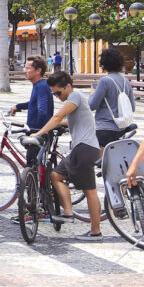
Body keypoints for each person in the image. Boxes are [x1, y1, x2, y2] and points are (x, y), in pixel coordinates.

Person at [32, 70, 103, 239]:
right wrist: (49, 127)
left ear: (68, 86)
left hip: (84, 148)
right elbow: (66, 120)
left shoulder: (76, 96)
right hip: (84, 148)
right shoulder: (75, 99)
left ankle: (95, 231)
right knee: (56, 175)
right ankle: (68, 212)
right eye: (54, 93)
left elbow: (58, 116)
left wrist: (38, 134)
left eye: (58, 92)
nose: (57, 96)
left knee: (90, 191)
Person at [89, 48, 136, 150]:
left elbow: (92, 105)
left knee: (102, 163)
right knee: (115, 162)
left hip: (104, 128)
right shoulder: (126, 81)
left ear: (104, 64)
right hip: (121, 129)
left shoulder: (104, 81)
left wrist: (92, 93)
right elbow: (132, 107)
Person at [8, 55, 53, 131]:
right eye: (25, 68)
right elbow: (34, 103)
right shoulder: (38, 85)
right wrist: (18, 106)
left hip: (38, 133)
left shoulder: (41, 86)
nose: (24, 71)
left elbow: (42, 112)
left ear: (38, 71)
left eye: (28, 68)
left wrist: (36, 131)